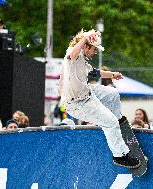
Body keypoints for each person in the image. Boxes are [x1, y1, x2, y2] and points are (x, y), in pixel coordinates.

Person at [58, 29, 140, 168]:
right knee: (110, 123)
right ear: (85, 46)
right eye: (94, 49)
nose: (95, 52)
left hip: (88, 92)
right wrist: (84, 38)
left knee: (112, 94)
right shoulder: (73, 53)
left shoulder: (83, 59)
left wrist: (112, 74)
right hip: (77, 104)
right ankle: (120, 156)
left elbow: (95, 72)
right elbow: (72, 54)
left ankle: (118, 121)